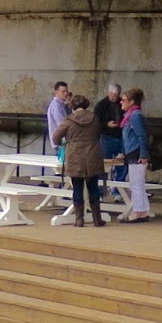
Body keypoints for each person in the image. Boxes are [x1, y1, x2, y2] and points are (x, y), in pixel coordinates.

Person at [53, 93, 108, 227]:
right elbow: (99, 133)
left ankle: (79, 219)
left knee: (77, 187)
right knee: (93, 187)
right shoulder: (95, 119)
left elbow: (55, 137)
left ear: (72, 106)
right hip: (93, 155)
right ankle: (97, 219)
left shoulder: (69, 120)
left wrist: (64, 143)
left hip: (75, 156)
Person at [118, 87, 153, 222]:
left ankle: (137, 211)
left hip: (136, 152)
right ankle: (142, 210)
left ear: (132, 101)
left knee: (135, 183)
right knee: (138, 183)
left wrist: (143, 154)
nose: (121, 102)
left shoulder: (135, 115)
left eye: (124, 100)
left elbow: (141, 135)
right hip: (133, 151)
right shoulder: (131, 115)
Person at [95, 83, 126, 188]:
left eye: (116, 96)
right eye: (113, 95)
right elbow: (95, 123)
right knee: (104, 164)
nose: (114, 98)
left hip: (120, 136)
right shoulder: (101, 105)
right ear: (108, 93)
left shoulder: (122, 103)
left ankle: (118, 189)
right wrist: (106, 124)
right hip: (106, 137)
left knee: (121, 165)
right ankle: (100, 189)